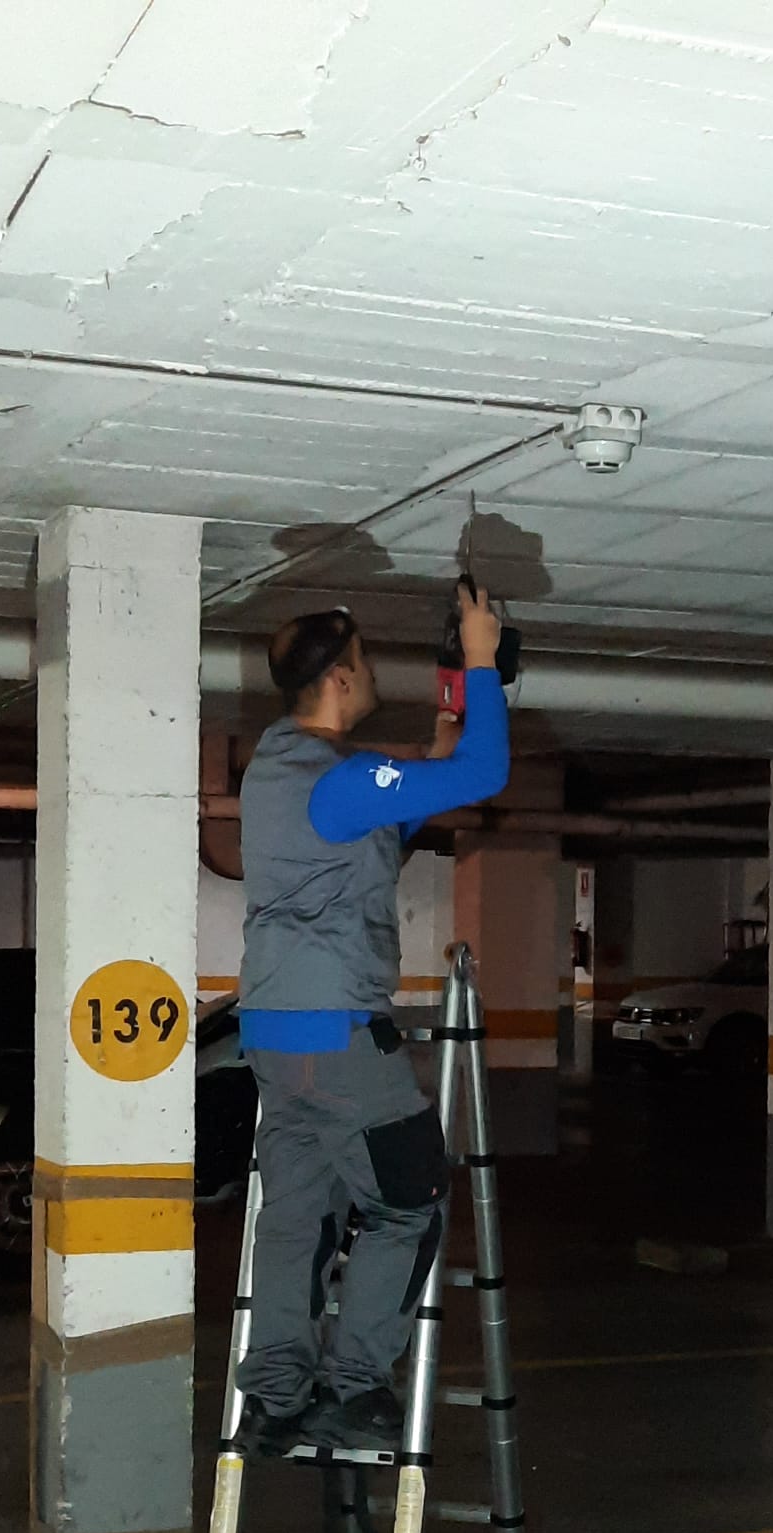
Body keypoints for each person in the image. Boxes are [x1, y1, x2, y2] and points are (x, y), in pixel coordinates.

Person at [234, 582, 510, 1454]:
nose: (374, 673)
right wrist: (479, 658)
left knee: (297, 1219)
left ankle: (276, 1399)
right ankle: (356, 1387)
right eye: (365, 662)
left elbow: (376, 820)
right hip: (337, 1035)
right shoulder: (341, 779)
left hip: (274, 1035)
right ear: (340, 680)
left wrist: (434, 748)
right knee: (408, 1200)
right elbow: (485, 775)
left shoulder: (277, 772)